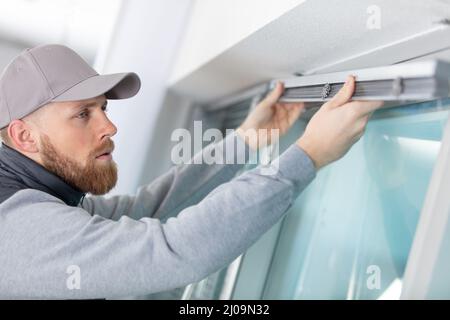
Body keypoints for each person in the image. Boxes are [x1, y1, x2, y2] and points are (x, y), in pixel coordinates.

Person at [0, 44, 383, 299]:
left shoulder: (41, 199)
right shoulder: (17, 225)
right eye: (83, 114)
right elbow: (174, 249)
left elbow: (146, 210)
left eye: (104, 109)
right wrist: (308, 155)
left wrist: (246, 140)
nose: (109, 127)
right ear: (24, 136)